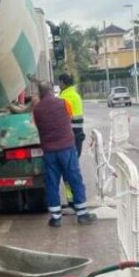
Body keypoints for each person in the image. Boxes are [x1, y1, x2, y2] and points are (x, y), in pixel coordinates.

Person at [32, 81, 96, 227]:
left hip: (49, 152)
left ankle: (56, 218)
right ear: (51, 90)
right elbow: (69, 118)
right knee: (74, 179)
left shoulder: (37, 110)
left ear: (40, 93)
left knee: (52, 183)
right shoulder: (63, 103)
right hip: (66, 148)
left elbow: (38, 126)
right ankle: (82, 214)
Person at [57, 73, 86, 155]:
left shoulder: (63, 97)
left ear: (62, 82)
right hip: (79, 132)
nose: (59, 85)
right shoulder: (76, 96)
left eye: (59, 83)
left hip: (68, 132)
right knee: (76, 157)